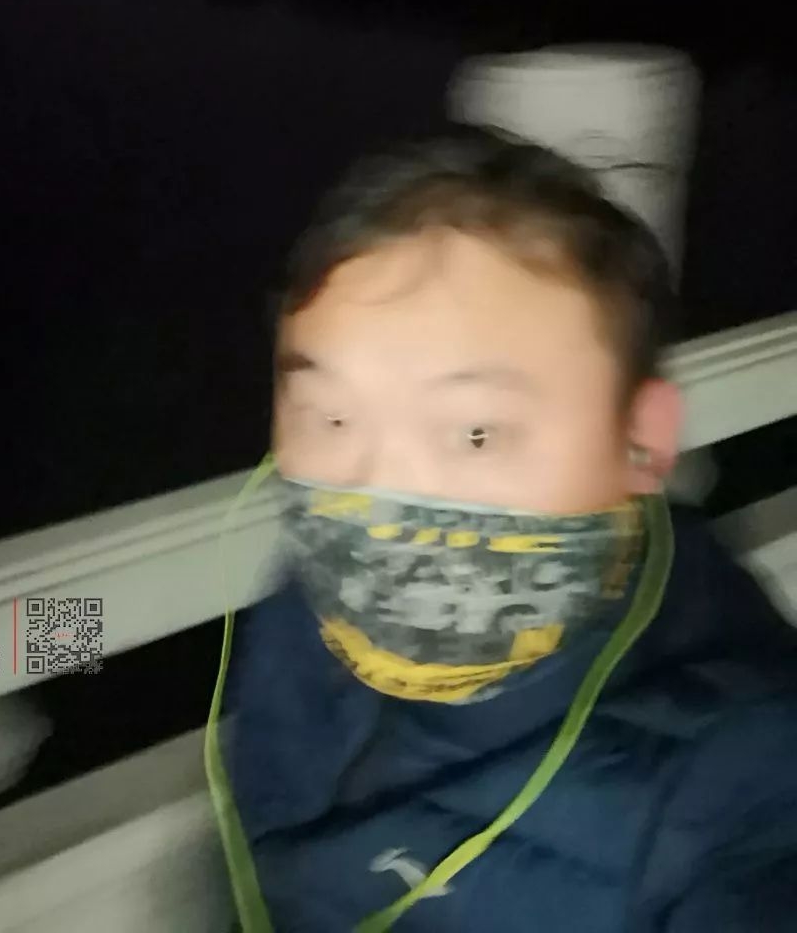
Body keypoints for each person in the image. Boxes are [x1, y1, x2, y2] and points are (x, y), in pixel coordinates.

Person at [212, 128, 797, 932]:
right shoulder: (304, 598)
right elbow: (82, 633)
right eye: (333, 416)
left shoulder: (741, 780)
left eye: (476, 432)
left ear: (642, 439)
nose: (381, 497)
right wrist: (16, 642)